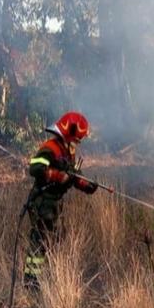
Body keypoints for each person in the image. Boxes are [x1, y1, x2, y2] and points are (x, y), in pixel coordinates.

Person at [24, 112, 98, 282]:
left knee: (51, 240)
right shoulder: (50, 148)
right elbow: (35, 168)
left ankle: (44, 276)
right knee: (39, 241)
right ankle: (31, 281)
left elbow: (73, 175)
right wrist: (56, 176)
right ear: (69, 132)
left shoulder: (68, 150)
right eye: (77, 138)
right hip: (42, 201)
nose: (78, 142)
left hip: (54, 203)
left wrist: (87, 185)